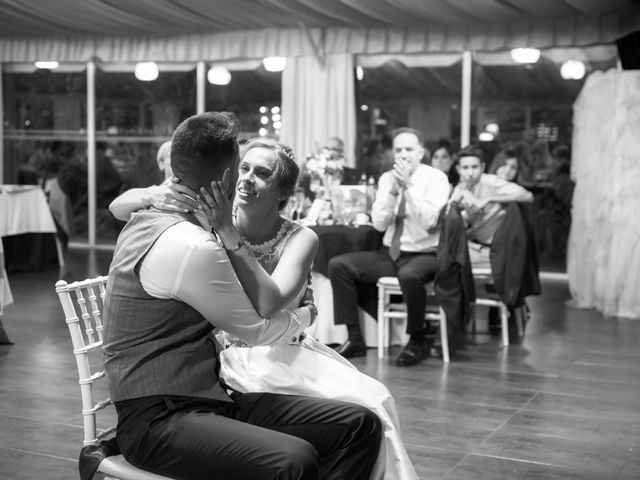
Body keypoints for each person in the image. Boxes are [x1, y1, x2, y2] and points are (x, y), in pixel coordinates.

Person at [110, 136, 418, 479]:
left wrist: (227, 231)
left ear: (283, 193)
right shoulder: (204, 222)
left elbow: (269, 303)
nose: (246, 179)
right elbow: (120, 206)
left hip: (278, 350)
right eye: (243, 168)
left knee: (371, 407)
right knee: (302, 450)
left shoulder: (297, 236)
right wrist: (154, 195)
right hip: (223, 359)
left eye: (261, 174)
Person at [329, 127, 450, 366]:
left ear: (421, 152)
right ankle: (355, 338)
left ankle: (417, 337)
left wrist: (409, 189)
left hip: (424, 252)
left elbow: (429, 221)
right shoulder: (386, 179)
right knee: (339, 266)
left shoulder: (436, 178)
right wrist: (393, 193)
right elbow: (380, 224)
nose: (403, 154)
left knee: (409, 275)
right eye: (398, 150)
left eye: (409, 149)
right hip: (390, 253)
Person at [450, 144, 533, 270]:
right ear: (458, 169)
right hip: (474, 245)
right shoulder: (460, 189)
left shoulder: (491, 181)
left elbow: (528, 196)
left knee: (449, 261)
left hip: (494, 249)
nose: (470, 172)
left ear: (482, 167)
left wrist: (489, 199)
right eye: (465, 168)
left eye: (474, 167)